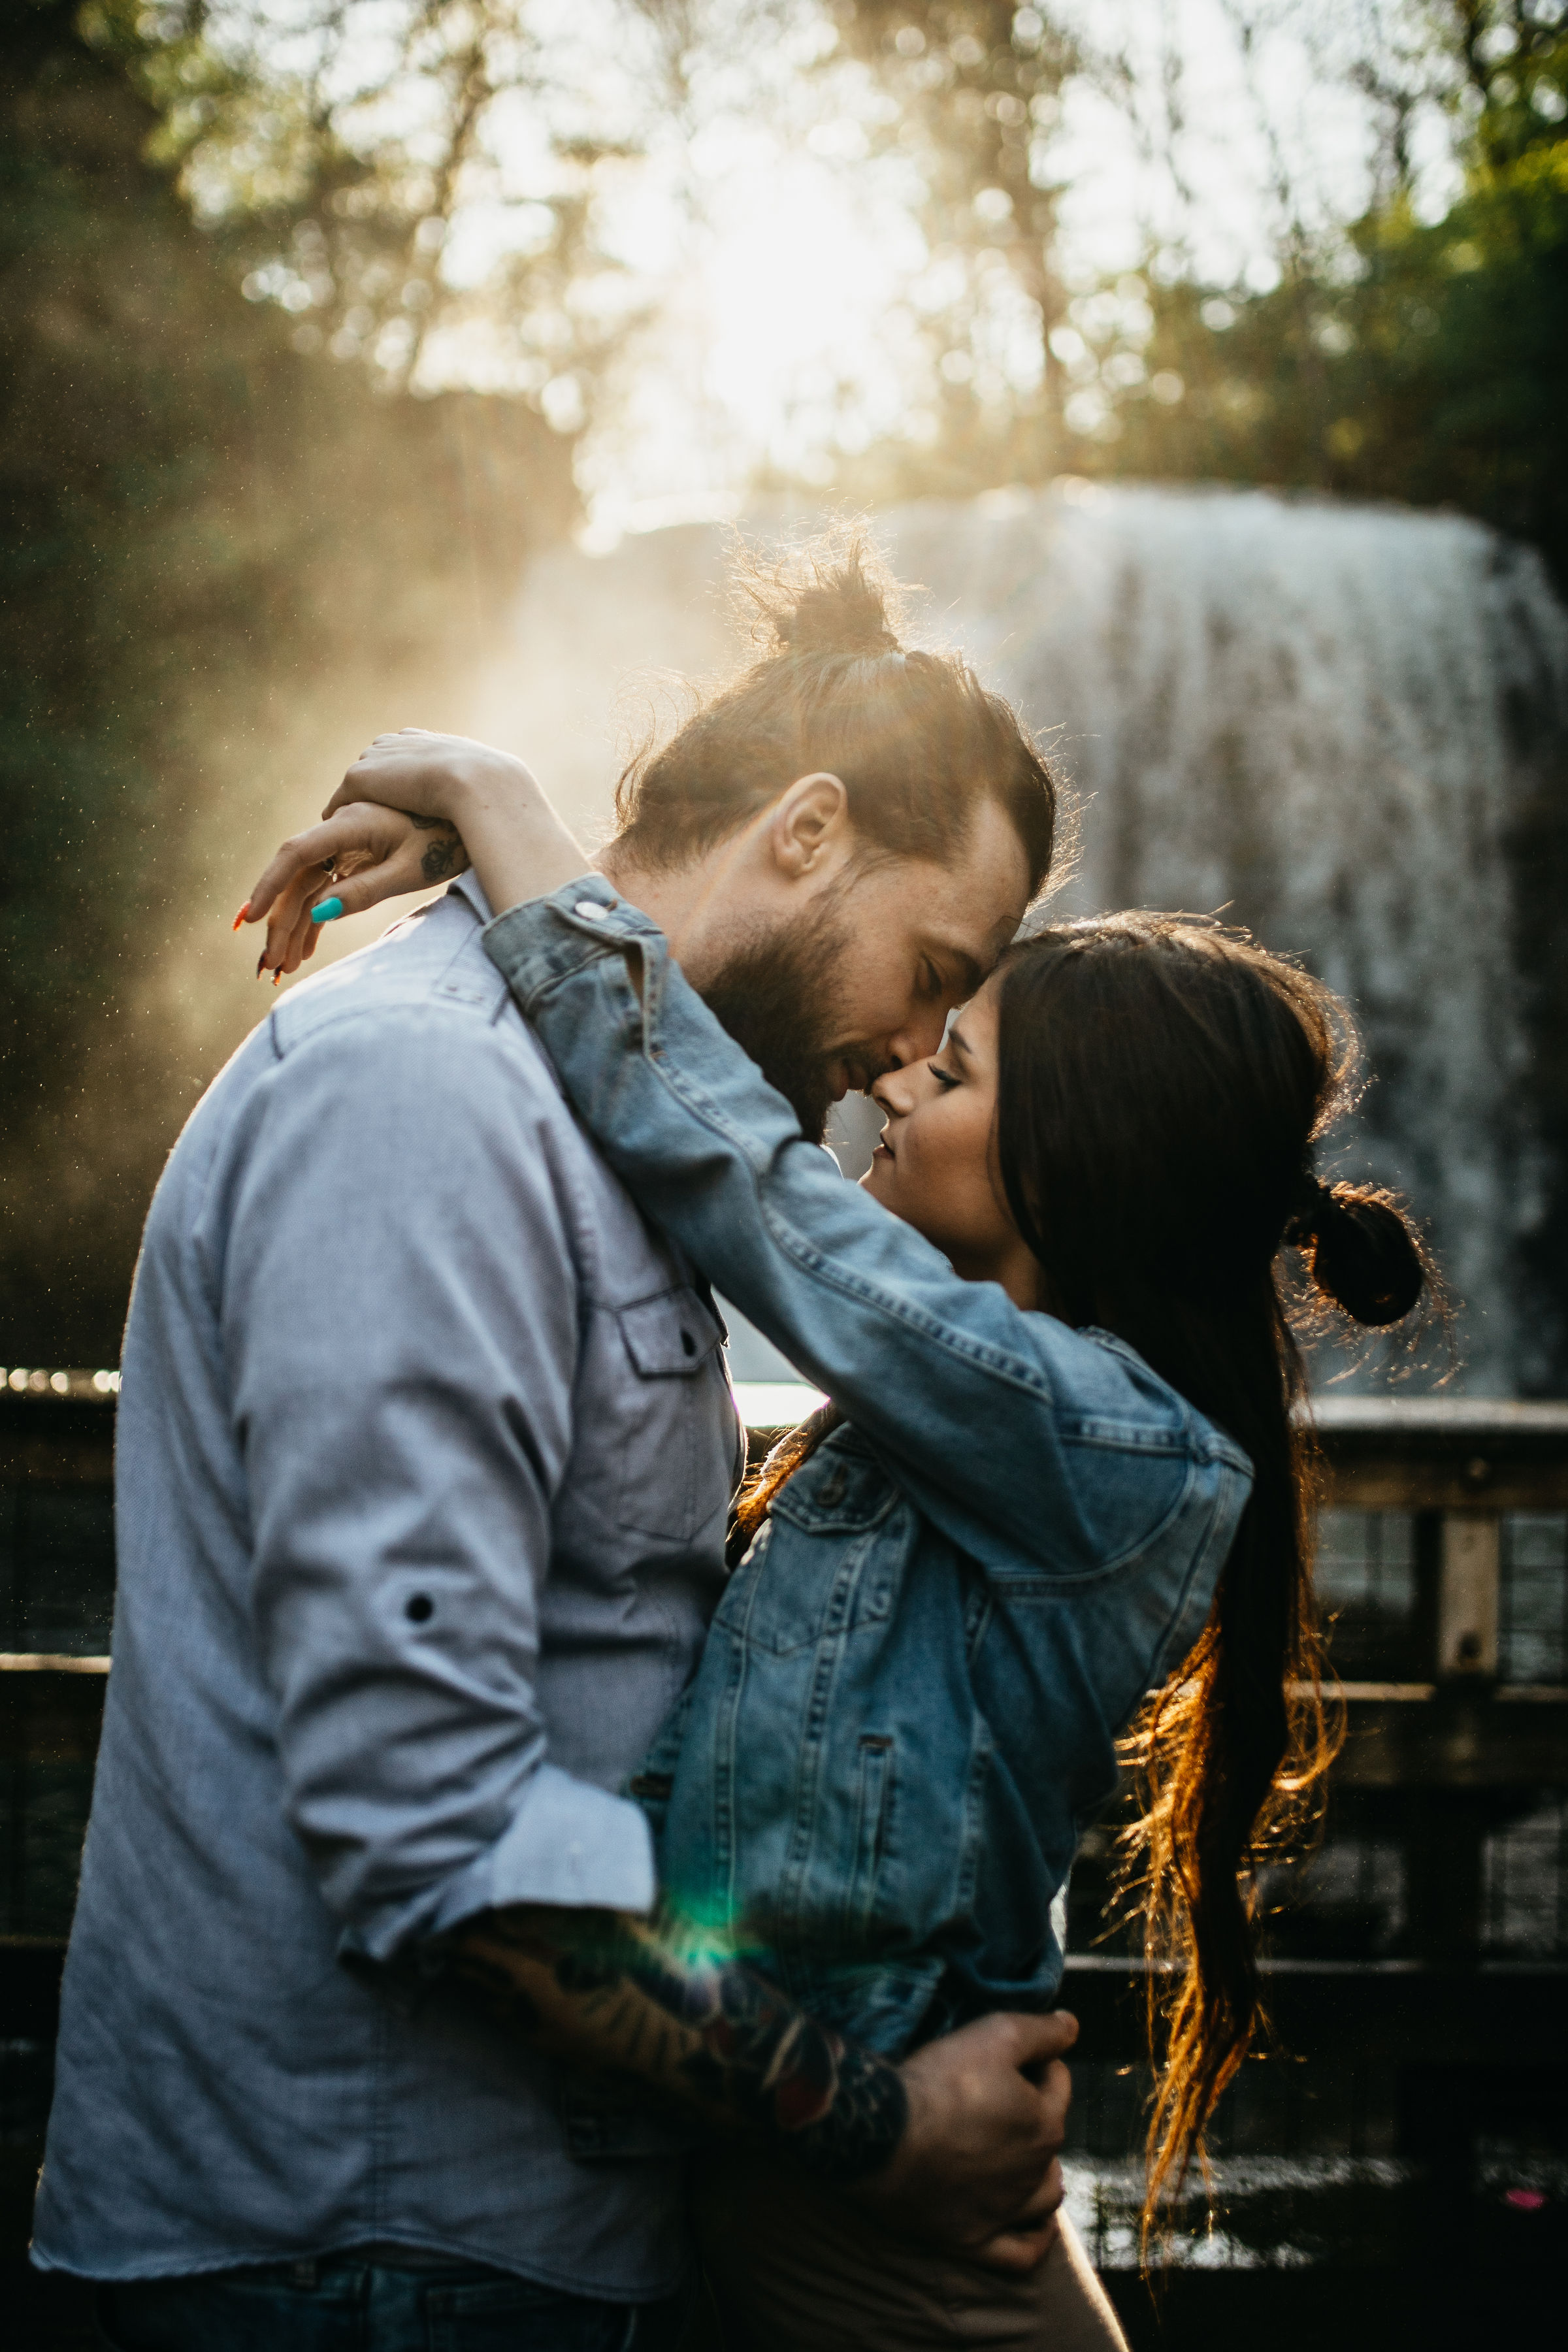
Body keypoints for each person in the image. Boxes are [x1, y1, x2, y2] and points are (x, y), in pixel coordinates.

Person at [264, 597, 1431, 2347]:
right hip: (777, 2198)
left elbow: (754, 1188)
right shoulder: (954, 1423)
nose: (897, 1070)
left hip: (909, 2274)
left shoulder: (1099, 1449)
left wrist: (506, 811)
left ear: (1069, 1153)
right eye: (936, 1017)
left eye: (952, 1051)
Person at [31, 544, 1076, 2350]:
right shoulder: (429, 1101)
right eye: (935, 970)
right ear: (808, 834)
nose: (917, 1055)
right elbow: (427, 1832)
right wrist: (881, 2123)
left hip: (476, 2246)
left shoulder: (609, 1119)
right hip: (359, 2254)